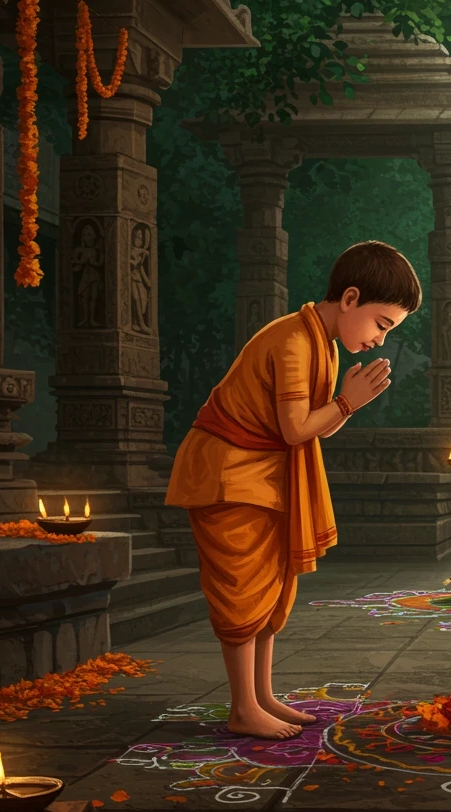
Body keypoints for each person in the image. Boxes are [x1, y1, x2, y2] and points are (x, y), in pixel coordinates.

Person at [166, 241, 422, 740]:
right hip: (229, 475)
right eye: (381, 324)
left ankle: (261, 696)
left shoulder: (320, 341)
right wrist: (348, 401)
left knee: (272, 587)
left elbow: (313, 428)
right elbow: (294, 430)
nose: (378, 340)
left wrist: (348, 403)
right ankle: (242, 707)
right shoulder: (292, 340)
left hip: (262, 476)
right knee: (242, 591)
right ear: (349, 298)